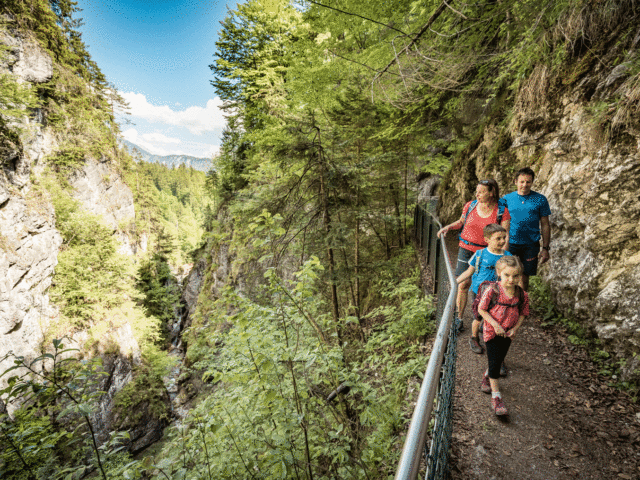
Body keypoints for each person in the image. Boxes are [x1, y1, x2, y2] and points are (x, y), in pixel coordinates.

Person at [437, 179, 511, 331]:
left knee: (485, 287)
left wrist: (503, 256)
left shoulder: (501, 210)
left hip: (486, 252)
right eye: (476, 191)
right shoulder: (470, 205)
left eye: (482, 192)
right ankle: (459, 318)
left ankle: (482, 321)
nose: (477, 194)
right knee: (463, 284)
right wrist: (449, 227)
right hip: (466, 247)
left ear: (491, 193)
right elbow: (461, 222)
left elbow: (505, 235)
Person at [477, 256, 529, 416]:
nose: (511, 279)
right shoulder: (492, 291)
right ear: (499, 273)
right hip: (492, 332)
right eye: (507, 275)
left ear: (520, 276)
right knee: (495, 364)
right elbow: (481, 309)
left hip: (508, 333)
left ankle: (486, 377)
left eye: (515, 276)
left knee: (499, 359)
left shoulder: (521, 294)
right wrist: (495, 325)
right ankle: (496, 398)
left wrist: (516, 328)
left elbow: (523, 313)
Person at [457, 223, 511, 355]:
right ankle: (474, 338)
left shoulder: (507, 256)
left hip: (498, 293)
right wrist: (456, 282)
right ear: (487, 240)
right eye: (498, 238)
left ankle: (492, 340)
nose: (502, 241)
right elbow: (469, 271)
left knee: (496, 317)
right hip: (479, 291)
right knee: (478, 316)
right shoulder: (480, 254)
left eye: (504, 238)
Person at [502, 167, 551, 291]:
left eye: (528, 182)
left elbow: (545, 224)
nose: (525, 185)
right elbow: (500, 222)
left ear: (532, 182)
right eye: (522, 181)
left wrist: (545, 248)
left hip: (531, 245)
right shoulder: (506, 199)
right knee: (507, 275)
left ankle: (522, 305)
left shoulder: (540, 199)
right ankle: (506, 304)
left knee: (524, 277)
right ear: (515, 182)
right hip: (510, 243)